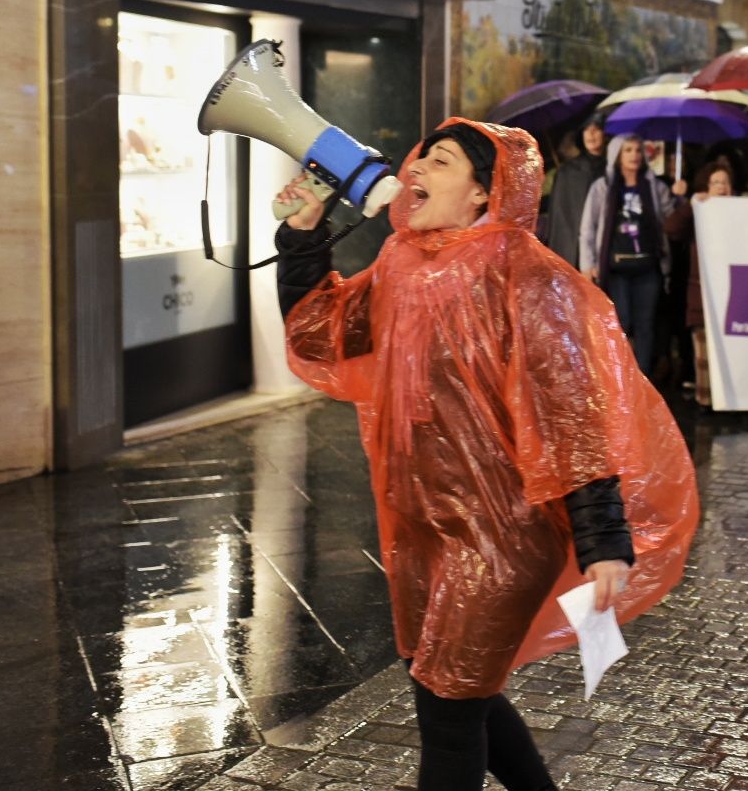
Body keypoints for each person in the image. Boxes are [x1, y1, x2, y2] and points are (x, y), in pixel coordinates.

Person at [274, 119, 698, 791]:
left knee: (448, 705)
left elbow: (573, 410)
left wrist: (602, 537)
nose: (414, 172)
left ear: (484, 192)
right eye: (420, 159)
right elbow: (322, 334)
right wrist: (302, 237)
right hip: (420, 525)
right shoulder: (402, 265)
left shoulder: (527, 276)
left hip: (499, 537)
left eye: (438, 163)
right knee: (445, 688)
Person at [579, 134, 680, 379]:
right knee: (621, 323)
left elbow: (672, 221)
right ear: (617, 155)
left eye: (637, 150)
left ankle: (643, 380)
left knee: (646, 325)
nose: (634, 155)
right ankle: (622, 381)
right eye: (628, 150)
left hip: (648, 267)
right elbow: (588, 227)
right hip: (616, 268)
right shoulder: (603, 187)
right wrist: (588, 263)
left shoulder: (655, 187)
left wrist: (679, 197)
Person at [664, 161, 736, 406]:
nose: (721, 187)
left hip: (733, 297)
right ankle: (705, 402)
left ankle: (730, 402)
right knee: (703, 353)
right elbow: (671, 228)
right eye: (715, 182)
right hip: (702, 296)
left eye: (725, 183)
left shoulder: (742, 214)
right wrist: (690, 206)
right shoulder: (699, 212)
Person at [541, 115, 606, 265]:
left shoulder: (611, 169)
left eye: (596, 129)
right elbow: (559, 215)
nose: (591, 134)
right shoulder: (567, 171)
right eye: (587, 130)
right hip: (570, 247)